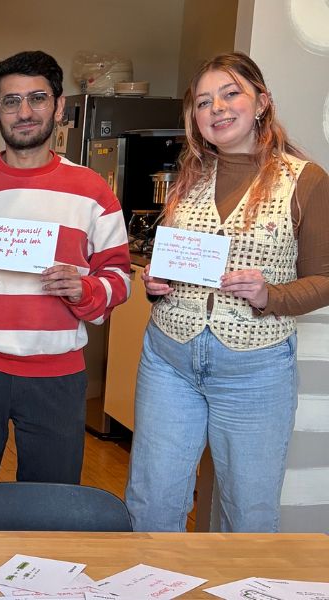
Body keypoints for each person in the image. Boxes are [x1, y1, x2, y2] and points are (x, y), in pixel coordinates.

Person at [125, 52, 329, 532]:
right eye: (202, 102)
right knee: (152, 501)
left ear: (261, 101)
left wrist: (269, 294)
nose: (216, 107)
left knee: (248, 512)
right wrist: (156, 284)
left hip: (254, 369)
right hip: (168, 359)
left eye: (230, 93)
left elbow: (324, 280)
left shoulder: (305, 181)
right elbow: (176, 268)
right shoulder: (189, 178)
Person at [0, 50, 130, 490]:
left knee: (52, 503)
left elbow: (118, 278)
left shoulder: (94, 190)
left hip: (57, 374)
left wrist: (84, 289)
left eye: (37, 98)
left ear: (59, 107)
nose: (24, 112)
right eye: (10, 101)